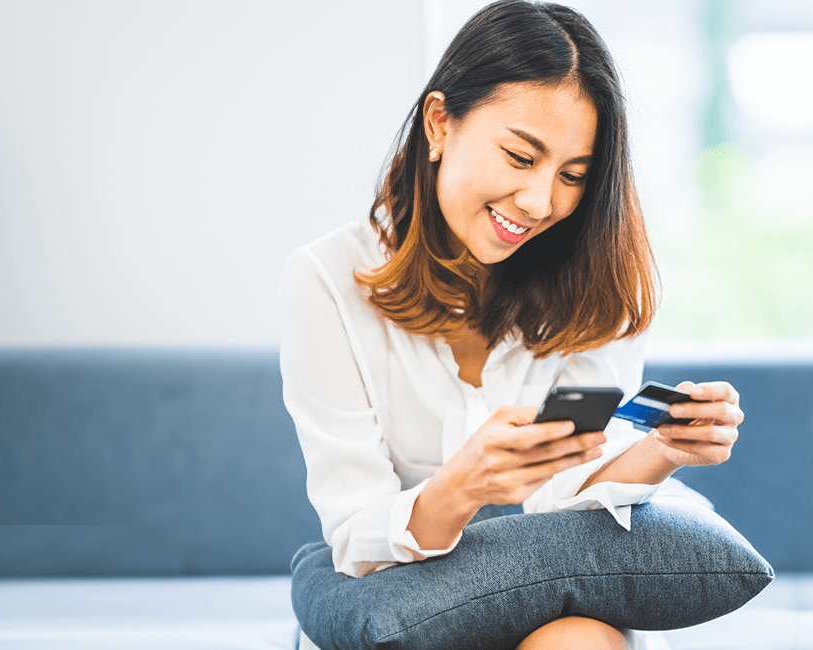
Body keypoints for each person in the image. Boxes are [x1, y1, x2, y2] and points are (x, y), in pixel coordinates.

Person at [278, 2, 744, 648]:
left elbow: (570, 506)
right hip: (405, 603)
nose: (540, 202)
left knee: (578, 640)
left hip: (560, 604)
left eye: (573, 175)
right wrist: (460, 489)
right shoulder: (327, 281)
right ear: (439, 124)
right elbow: (358, 534)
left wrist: (659, 452)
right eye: (520, 157)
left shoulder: (596, 289)